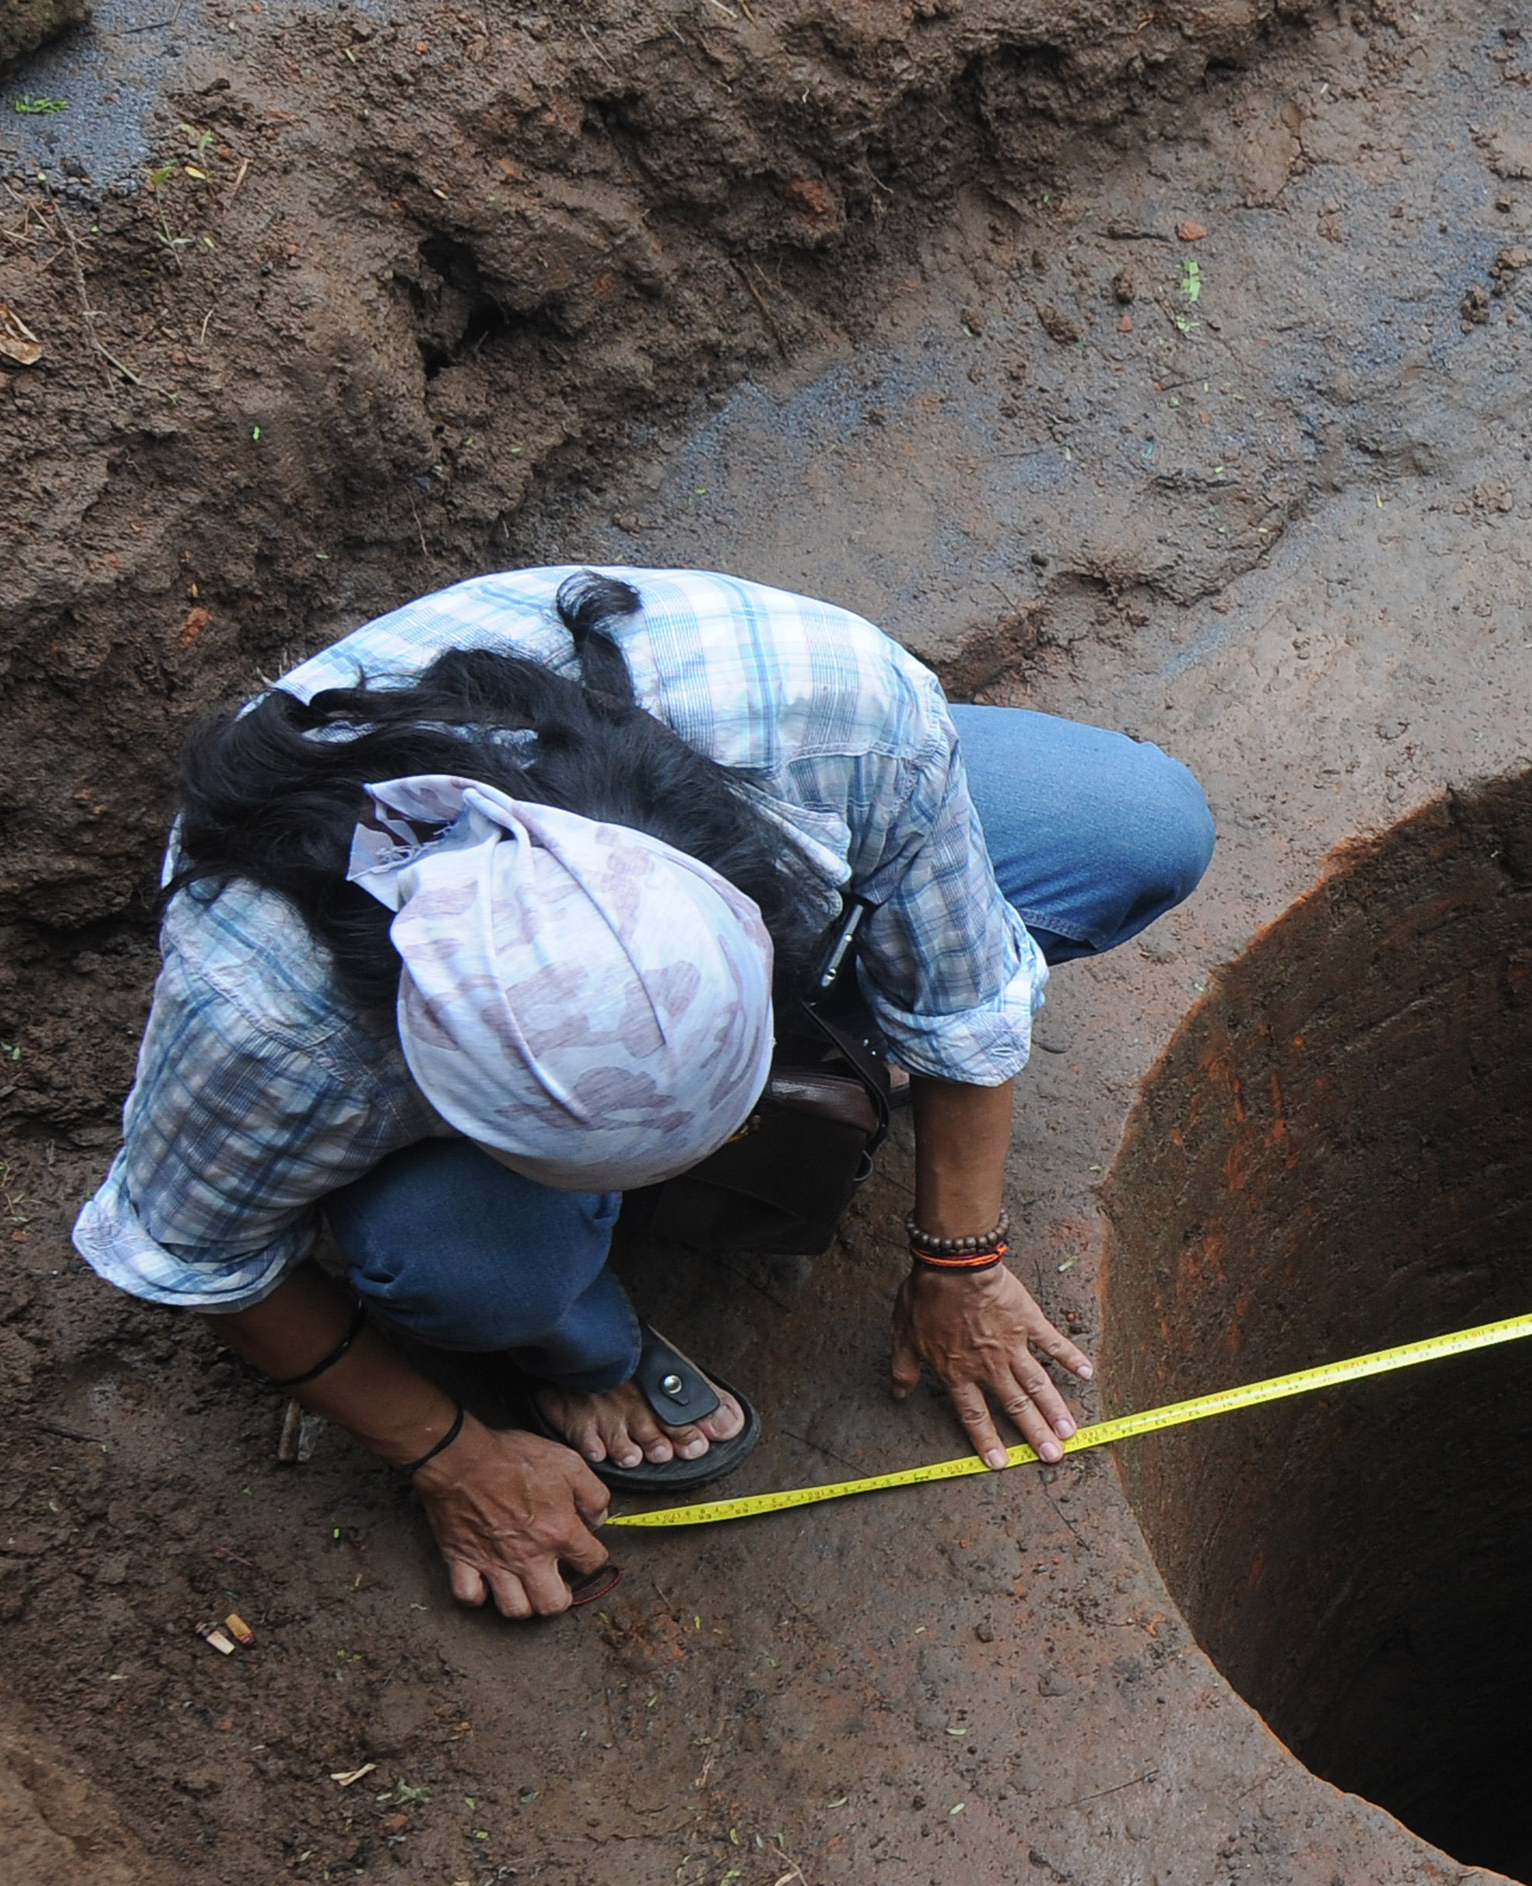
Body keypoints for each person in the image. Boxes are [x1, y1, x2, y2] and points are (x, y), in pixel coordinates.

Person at [76, 567, 1215, 1615]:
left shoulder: (828, 712)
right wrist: (452, 1456)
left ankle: (827, 1032)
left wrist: (961, 1259)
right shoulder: (269, 1022)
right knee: (468, 1264)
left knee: (1134, 829)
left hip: (747, 780)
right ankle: (575, 1344)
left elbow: (963, 980)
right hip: (387, 1036)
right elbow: (197, 1255)